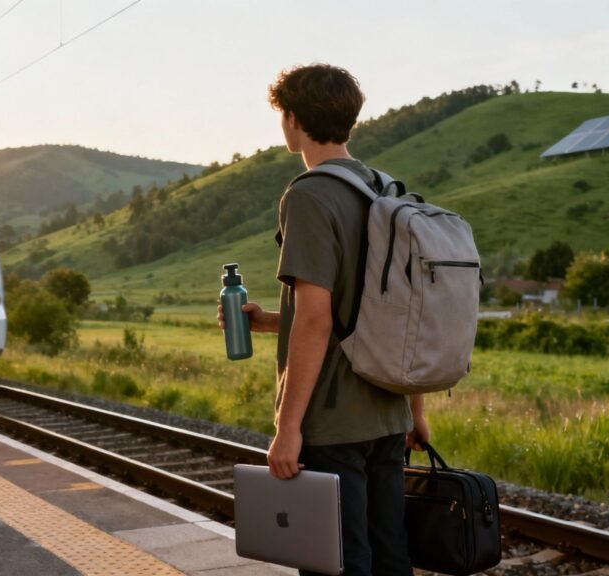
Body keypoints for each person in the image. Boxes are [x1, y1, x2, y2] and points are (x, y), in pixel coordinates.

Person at [218, 63, 429, 575]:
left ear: (292, 118)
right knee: (390, 555)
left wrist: (288, 429)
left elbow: (315, 320)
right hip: (388, 412)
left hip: (334, 422)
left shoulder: (309, 195)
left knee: (338, 561)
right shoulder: (387, 190)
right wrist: (417, 413)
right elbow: (402, 313)